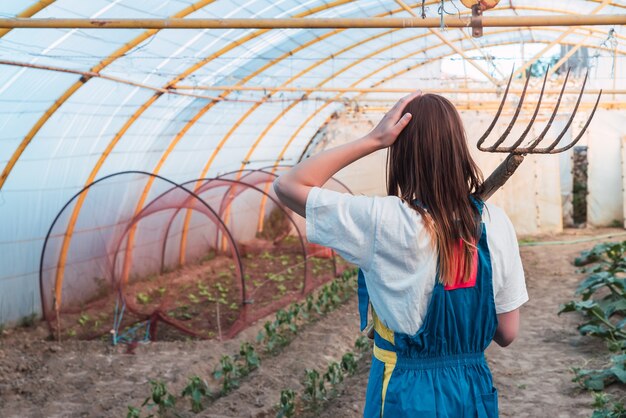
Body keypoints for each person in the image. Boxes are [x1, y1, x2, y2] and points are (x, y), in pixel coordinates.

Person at [273, 91, 528, 417]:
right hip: (471, 393)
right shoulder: (496, 223)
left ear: (402, 153)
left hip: (406, 394)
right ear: (458, 149)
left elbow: (288, 185)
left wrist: (373, 139)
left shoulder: (382, 221)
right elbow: (507, 333)